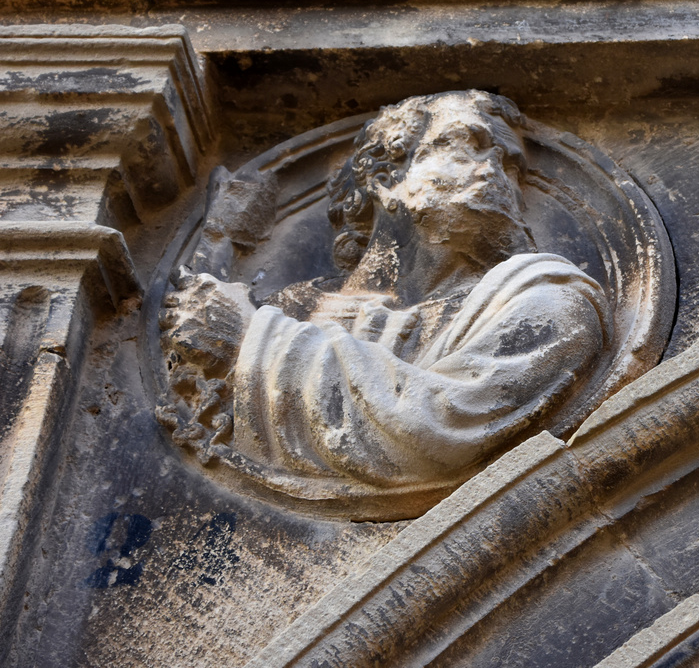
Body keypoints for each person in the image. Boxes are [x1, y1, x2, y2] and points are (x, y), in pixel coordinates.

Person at [160, 91, 610, 499]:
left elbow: (442, 425)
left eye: (511, 166)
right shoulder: (291, 306)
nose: (494, 173)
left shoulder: (546, 303)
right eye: (466, 144)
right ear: (384, 177)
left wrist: (250, 346)